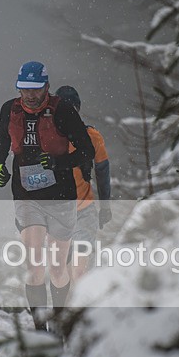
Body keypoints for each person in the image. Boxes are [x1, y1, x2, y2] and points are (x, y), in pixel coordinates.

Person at [0, 61, 95, 330]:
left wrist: (58, 163)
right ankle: (40, 330)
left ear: (46, 87)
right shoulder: (10, 110)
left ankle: (61, 323)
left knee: (58, 268)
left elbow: (87, 150)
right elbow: (2, 141)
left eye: (36, 89)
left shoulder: (62, 110)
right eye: (24, 89)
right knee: (35, 265)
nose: (30, 95)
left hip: (61, 194)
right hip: (26, 194)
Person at [55, 85, 112, 286]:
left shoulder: (92, 137)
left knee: (79, 269)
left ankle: (86, 308)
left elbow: (102, 171)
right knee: (62, 273)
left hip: (83, 211)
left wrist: (104, 207)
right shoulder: (46, 139)